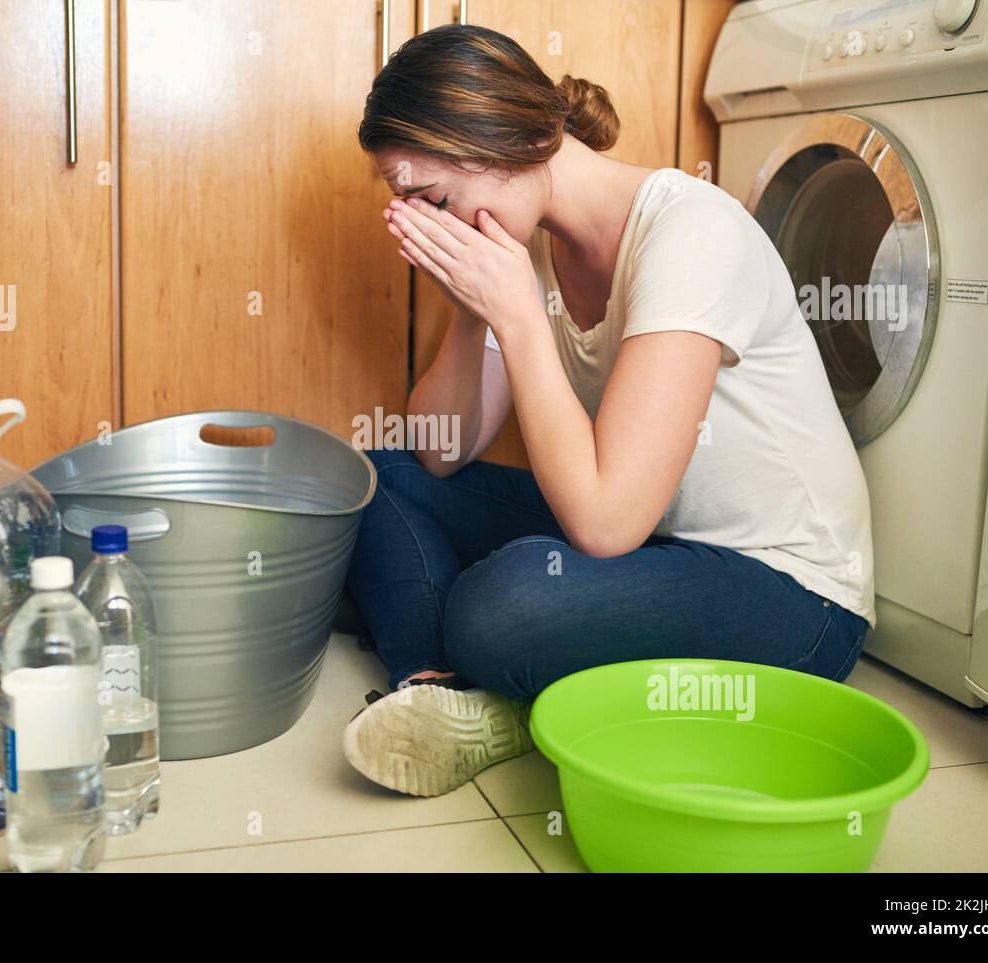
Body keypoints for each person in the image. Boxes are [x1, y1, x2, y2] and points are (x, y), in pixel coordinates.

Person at [342, 24, 873, 798]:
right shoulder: (523, 246)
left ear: (501, 144)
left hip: (793, 595)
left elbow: (605, 522)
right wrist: (472, 307)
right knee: (372, 478)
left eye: (436, 201)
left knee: (507, 603)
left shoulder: (691, 233)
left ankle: (501, 688)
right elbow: (440, 451)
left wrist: (520, 317)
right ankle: (438, 691)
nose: (432, 229)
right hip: (656, 547)